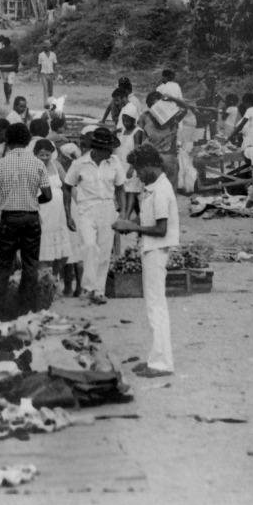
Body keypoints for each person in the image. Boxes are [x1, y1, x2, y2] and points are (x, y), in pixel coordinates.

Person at [114, 147, 180, 378]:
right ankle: (156, 358)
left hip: (157, 249)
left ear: (151, 166)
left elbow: (161, 229)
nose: (138, 175)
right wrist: (128, 224)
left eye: (140, 170)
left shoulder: (161, 190)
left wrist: (132, 226)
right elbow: (150, 220)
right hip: (151, 248)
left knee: (156, 307)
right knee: (153, 306)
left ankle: (162, 363)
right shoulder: (153, 187)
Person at [0, 122, 50, 316]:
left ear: (7, 140)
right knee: (30, 264)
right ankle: (26, 309)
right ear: (28, 140)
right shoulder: (38, 163)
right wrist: (32, 199)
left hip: (9, 218)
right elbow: (48, 195)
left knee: (3, 264)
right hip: (31, 218)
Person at [64, 126, 127, 306]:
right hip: (86, 208)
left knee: (105, 250)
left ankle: (98, 290)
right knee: (90, 246)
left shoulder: (114, 162)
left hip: (107, 207)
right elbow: (67, 187)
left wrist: (122, 212)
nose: (111, 152)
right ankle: (89, 287)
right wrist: (68, 215)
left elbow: (121, 188)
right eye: (108, 149)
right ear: (98, 149)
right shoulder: (80, 164)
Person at [33, 138, 70, 292]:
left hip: (59, 214)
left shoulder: (57, 165)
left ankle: (54, 278)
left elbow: (67, 186)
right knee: (44, 250)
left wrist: (69, 212)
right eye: (42, 155)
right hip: (42, 213)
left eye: (48, 155)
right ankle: (44, 283)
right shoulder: (33, 168)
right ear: (35, 154)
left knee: (62, 253)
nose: (45, 158)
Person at [0, 36, 21, 104]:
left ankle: (7, 99)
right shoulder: (14, 49)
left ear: (4, 43)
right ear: (10, 43)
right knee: (10, 84)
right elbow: (17, 60)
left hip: (4, 69)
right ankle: (8, 96)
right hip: (12, 69)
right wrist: (17, 68)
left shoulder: (1, 50)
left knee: (5, 84)